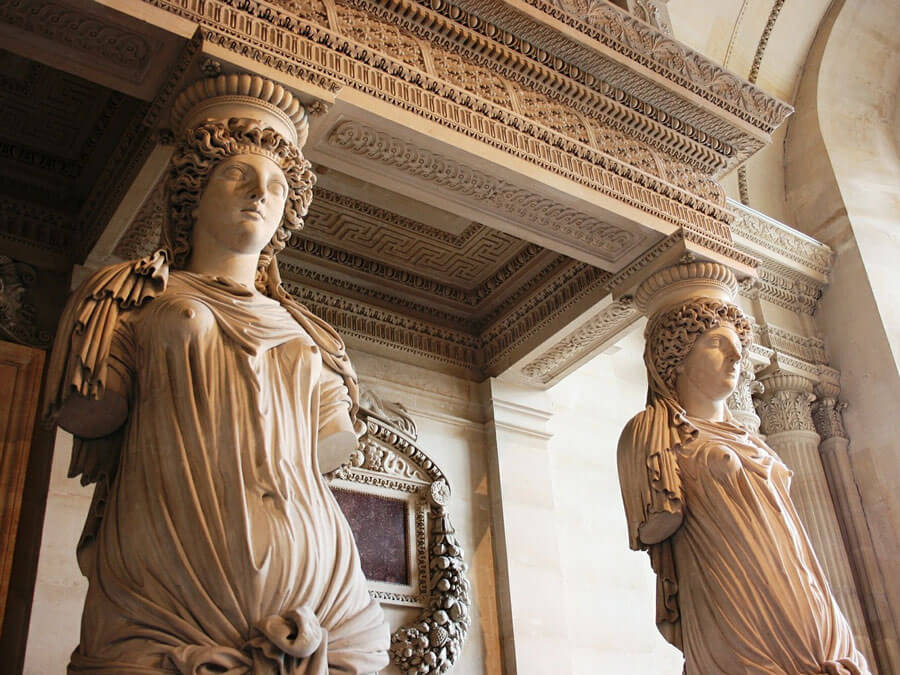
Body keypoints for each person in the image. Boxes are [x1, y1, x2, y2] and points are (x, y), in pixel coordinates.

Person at [44, 75, 389, 674]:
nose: (260, 193)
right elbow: (91, 404)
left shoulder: (314, 335)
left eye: (278, 186)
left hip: (324, 597)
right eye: (238, 175)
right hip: (167, 599)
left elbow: (330, 443)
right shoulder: (129, 296)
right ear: (193, 194)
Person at [617, 297, 869, 675]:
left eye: (737, 346)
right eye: (717, 344)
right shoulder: (651, 430)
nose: (735, 356)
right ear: (677, 357)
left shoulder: (752, 440)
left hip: (804, 587)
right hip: (733, 592)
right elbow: (654, 522)